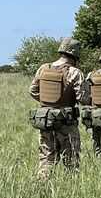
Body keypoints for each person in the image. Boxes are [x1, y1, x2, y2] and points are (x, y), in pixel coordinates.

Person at [29, 37, 86, 180]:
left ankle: (42, 189)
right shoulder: (75, 72)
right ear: (75, 54)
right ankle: (70, 190)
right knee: (71, 161)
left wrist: (48, 103)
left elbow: (33, 90)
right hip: (67, 123)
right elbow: (83, 98)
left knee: (46, 159)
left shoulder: (44, 68)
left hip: (46, 121)